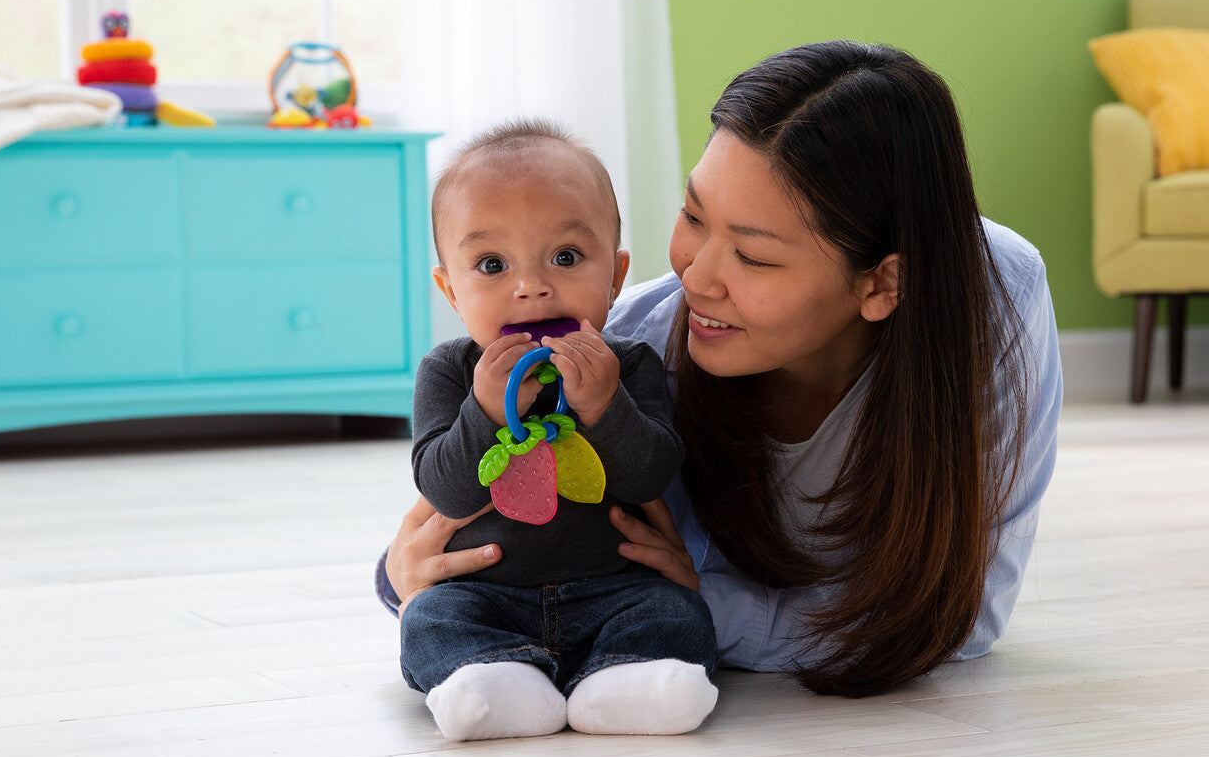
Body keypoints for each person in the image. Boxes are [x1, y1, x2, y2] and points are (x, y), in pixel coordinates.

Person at [380, 41, 1062, 700]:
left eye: (755, 257)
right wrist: (401, 577)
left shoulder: (995, 297)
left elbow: (961, 617)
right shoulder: (627, 348)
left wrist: (704, 605)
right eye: (693, 216)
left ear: (883, 285)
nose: (695, 277)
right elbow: (492, 529)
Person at [397, 120, 718, 741]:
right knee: (429, 617)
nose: (530, 286)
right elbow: (446, 489)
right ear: (451, 291)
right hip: (485, 595)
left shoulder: (629, 366)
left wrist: (604, 407)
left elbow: (651, 474)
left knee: (678, 611)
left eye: (566, 257)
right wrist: (485, 413)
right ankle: (492, 683)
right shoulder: (447, 373)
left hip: (616, 587)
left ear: (615, 277)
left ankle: (630, 683)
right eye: (491, 265)